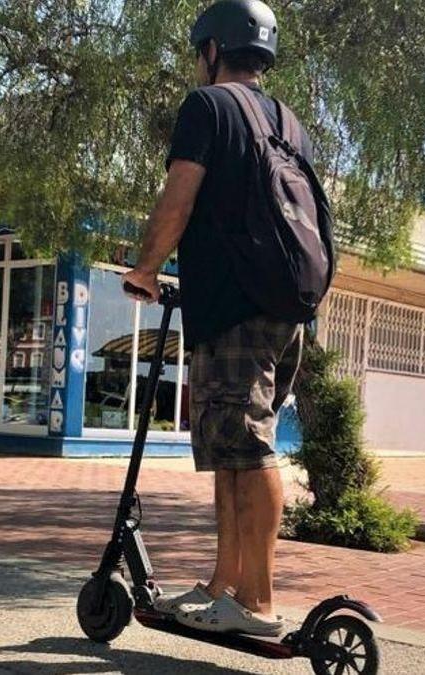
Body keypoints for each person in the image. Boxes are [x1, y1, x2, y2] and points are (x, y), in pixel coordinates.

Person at [119, 0, 313, 637]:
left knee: (248, 448)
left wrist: (146, 268)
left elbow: (181, 190)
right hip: (286, 309)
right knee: (233, 447)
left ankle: (257, 603)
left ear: (211, 50)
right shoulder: (289, 122)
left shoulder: (208, 106)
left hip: (236, 308)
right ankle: (223, 585)